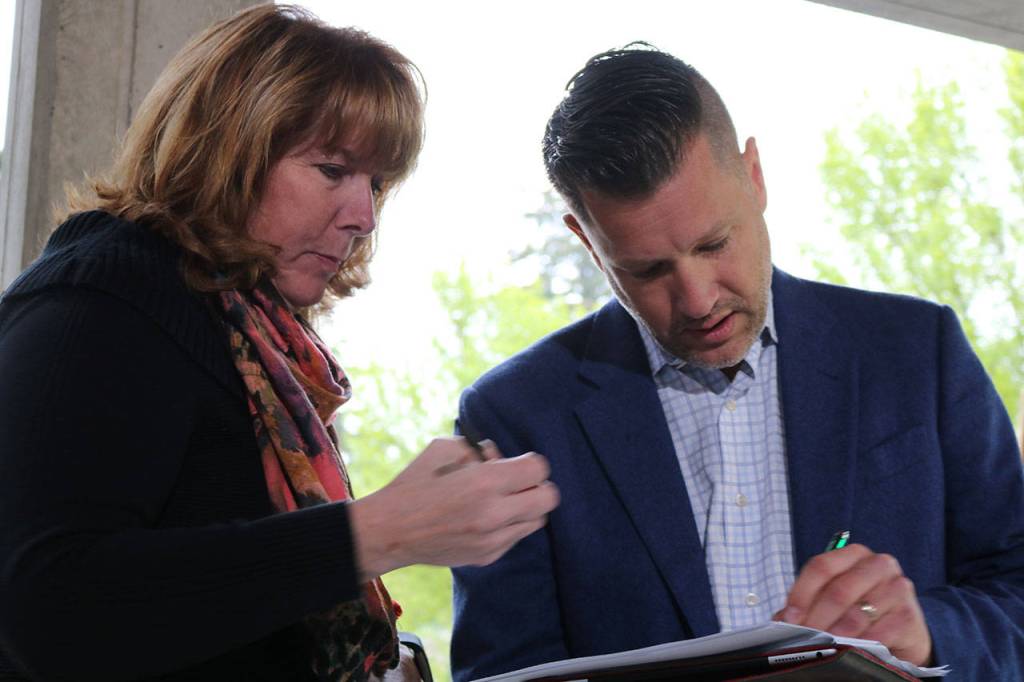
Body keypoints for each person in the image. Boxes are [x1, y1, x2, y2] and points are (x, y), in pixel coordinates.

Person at [0, 5, 558, 681]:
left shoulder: (248, 330)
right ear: (226, 147)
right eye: (332, 169)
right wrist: (379, 532)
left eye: (377, 182)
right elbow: (45, 610)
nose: (365, 216)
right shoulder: (103, 302)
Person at [451, 44, 1024, 681]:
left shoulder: (918, 350)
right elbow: (497, 672)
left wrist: (928, 634)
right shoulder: (515, 416)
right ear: (587, 241)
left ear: (754, 175)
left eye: (714, 243)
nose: (697, 300)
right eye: (647, 269)